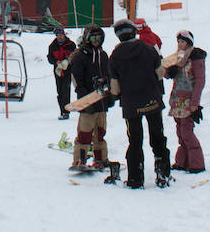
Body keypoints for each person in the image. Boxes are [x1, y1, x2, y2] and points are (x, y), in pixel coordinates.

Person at [109, 18, 171, 188]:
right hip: (152, 100)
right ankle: (163, 172)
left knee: (135, 140)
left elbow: (115, 87)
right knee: (158, 137)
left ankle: (136, 178)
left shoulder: (115, 56)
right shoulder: (149, 49)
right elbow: (160, 73)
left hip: (131, 104)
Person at [66, 24, 112, 170]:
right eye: (93, 38)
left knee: (100, 133)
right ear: (87, 38)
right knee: (84, 133)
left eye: (99, 38)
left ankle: (101, 158)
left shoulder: (103, 55)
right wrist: (84, 97)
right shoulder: (80, 57)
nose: (96, 41)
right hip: (87, 102)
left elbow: (109, 74)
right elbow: (77, 79)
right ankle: (80, 159)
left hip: (101, 101)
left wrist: (110, 93)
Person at [164, 30, 207, 174]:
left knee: (187, 132)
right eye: (178, 41)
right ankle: (182, 161)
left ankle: (197, 163)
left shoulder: (195, 58)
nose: (180, 44)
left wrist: (195, 102)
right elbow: (166, 73)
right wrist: (167, 69)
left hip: (188, 100)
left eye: (183, 41)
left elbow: (200, 81)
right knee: (180, 132)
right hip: (177, 99)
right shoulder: (177, 57)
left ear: (188, 43)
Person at [47, 28, 77, 119]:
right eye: (57, 35)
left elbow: (75, 56)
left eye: (61, 35)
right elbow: (50, 58)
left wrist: (68, 61)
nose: (59, 37)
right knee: (60, 91)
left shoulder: (71, 45)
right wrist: (56, 62)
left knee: (66, 90)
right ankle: (62, 110)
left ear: (64, 34)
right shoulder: (52, 46)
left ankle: (66, 112)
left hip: (68, 70)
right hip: (58, 71)